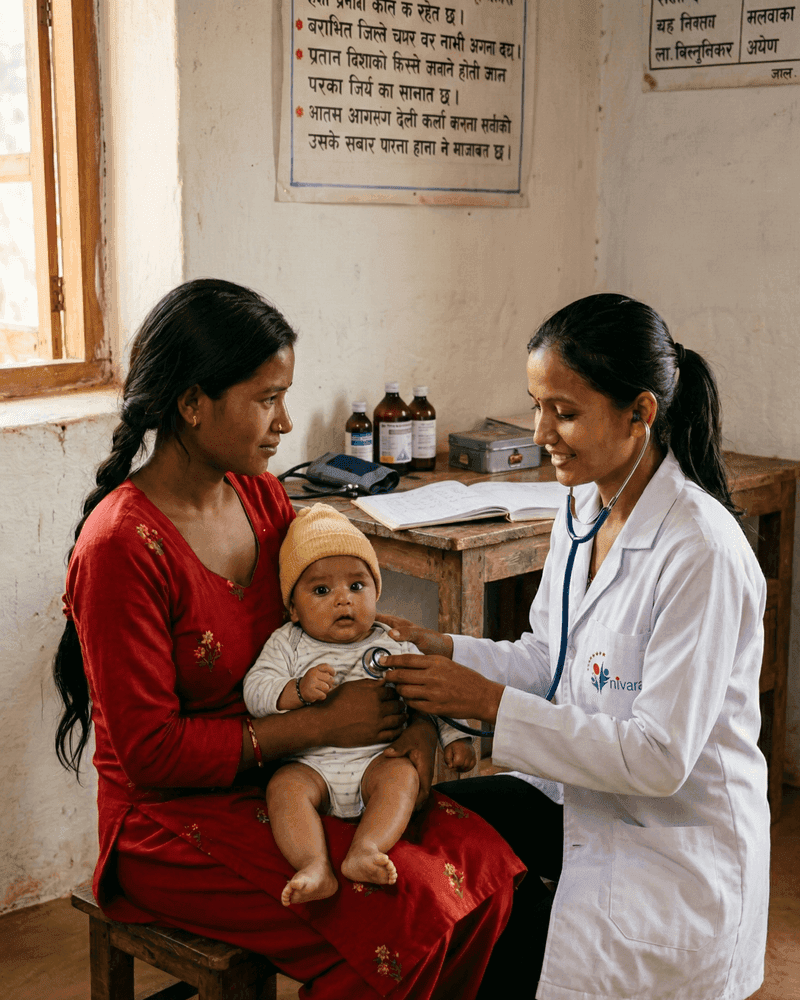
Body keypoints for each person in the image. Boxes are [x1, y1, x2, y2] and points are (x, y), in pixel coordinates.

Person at [52, 278, 525, 1000]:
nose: (284, 422)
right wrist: (320, 724)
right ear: (191, 403)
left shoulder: (260, 496)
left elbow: (322, 635)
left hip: (296, 775)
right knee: (406, 909)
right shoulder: (122, 546)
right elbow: (150, 754)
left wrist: (402, 706)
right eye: (267, 398)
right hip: (166, 823)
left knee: (482, 862)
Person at [380, 293, 770, 1000]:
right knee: (433, 835)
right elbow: (547, 659)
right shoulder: (583, 507)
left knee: (502, 940)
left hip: (669, 846)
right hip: (586, 802)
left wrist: (493, 707)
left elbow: (661, 759)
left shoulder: (701, 551)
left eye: (564, 412)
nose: (541, 432)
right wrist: (448, 651)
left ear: (640, 413)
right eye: (536, 406)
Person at [243, 503, 475, 906]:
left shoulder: (390, 641)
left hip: (376, 761)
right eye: (321, 590)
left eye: (357, 586)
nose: (343, 600)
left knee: (402, 777)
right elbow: (255, 689)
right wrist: (295, 690)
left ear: (376, 592)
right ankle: (313, 865)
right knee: (283, 788)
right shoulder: (288, 643)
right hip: (310, 765)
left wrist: (455, 736)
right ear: (293, 609)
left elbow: (430, 693)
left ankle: (367, 849)